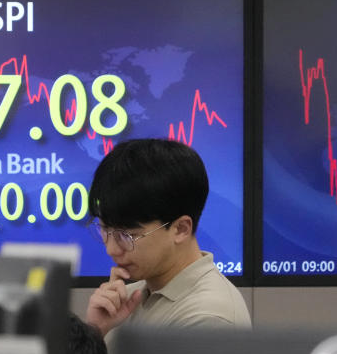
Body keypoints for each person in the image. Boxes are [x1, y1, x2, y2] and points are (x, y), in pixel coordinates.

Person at [84, 138, 251, 336]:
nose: (111, 249)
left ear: (180, 229)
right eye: (104, 230)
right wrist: (96, 331)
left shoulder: (209, 317)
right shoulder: (125, 300)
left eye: (126, 236)